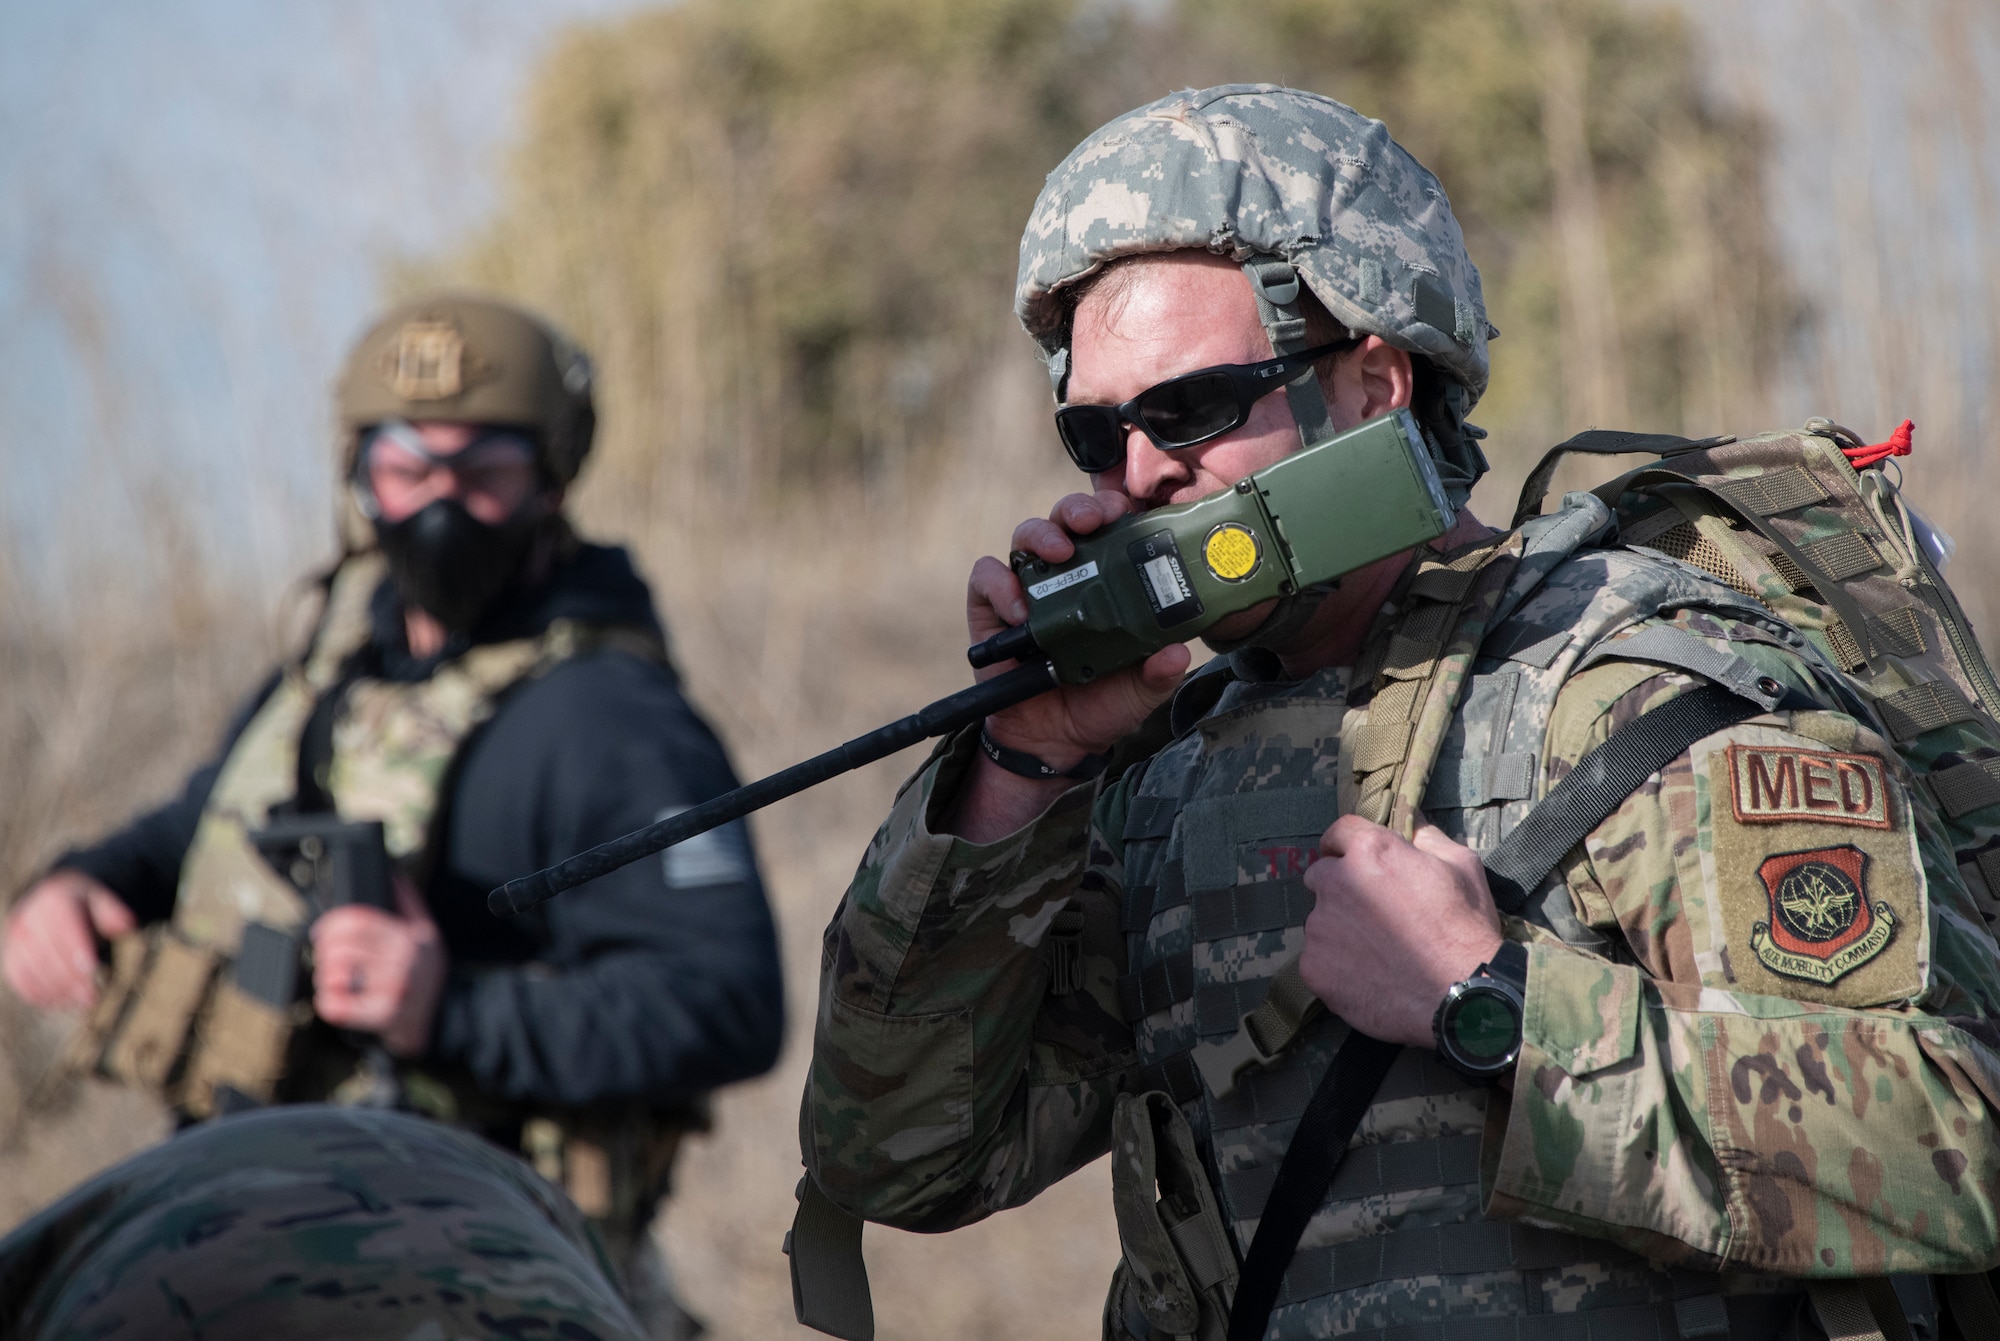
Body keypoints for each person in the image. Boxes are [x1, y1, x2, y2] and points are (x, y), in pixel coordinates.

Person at [800, 86, 2000, 1340]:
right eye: (1094, 432)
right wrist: (1021, 763)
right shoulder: (1161, 768)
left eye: (1190, 409)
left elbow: (1955, 1151)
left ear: (1374, 383)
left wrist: (1483, 1004)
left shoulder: (1627, 683)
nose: (1140, 471)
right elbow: (900, 1159)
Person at [1, 293, 784, 1332]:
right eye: (406, 468)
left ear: (552, 479)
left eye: (486, 473)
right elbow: (198, 826)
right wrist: (75, 885)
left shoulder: (613, 718)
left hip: (490, 1262)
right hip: (254, 1232)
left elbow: (725, 1002)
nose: (441, 508)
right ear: (357, 476)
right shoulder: (334, 669)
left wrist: (447, 1009)